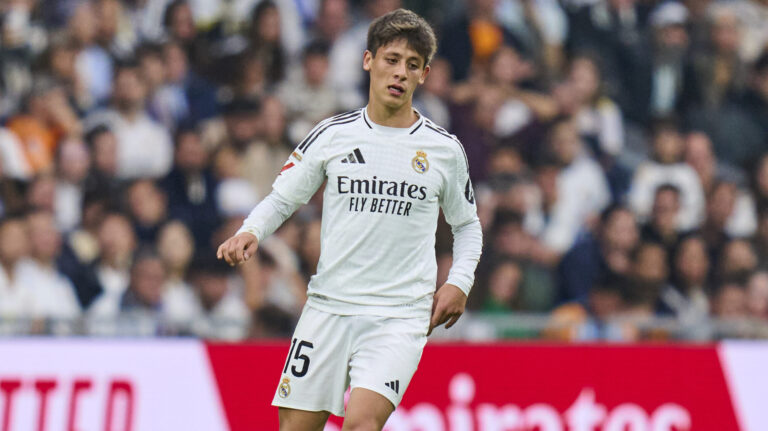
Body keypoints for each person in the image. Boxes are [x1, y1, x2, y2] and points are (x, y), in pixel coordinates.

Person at [217, 9, 482, 430]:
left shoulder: (443, 150)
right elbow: (283, 197)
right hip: (328, 307)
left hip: (398, 315)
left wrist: (458, 281)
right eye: (391, 59)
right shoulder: (332, 135)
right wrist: (251, 230)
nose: (400, 72)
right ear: (368, 61)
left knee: (362, 423)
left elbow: (467, 226)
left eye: (412, 65)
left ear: (424, 75)